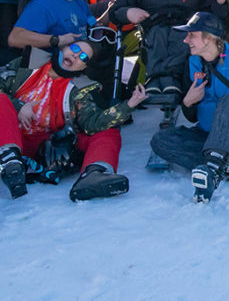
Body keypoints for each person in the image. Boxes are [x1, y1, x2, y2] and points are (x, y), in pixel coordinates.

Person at [0, 39, 148, 201]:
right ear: (64, 48)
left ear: (84, 67)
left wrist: (128, 105)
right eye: (75, 49)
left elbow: (92, 123)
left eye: (83, 58)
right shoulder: (27, 64)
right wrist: (19, 106)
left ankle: (94, 174)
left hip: (45, 147)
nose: (76, 56)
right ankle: (10, 162)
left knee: (108, 131)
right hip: (8, 136)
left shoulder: (80, 89)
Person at [149, 12, 229, 203]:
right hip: (207, 135)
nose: (186, 40)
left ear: (209, 37)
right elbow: (193, 118)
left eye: (191, 35)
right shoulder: (192, 62)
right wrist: (188, 103)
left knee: (228, 101)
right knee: (160, 141)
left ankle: (211, 173)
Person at [111, 0, 227, 98]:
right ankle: (158, 80)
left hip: (186, 32)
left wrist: (220, 0)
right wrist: (128, 12)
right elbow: (115, 12)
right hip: (152, 31)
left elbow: (218, 16)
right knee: (158, 33)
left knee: (180, 34)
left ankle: (169, 80)